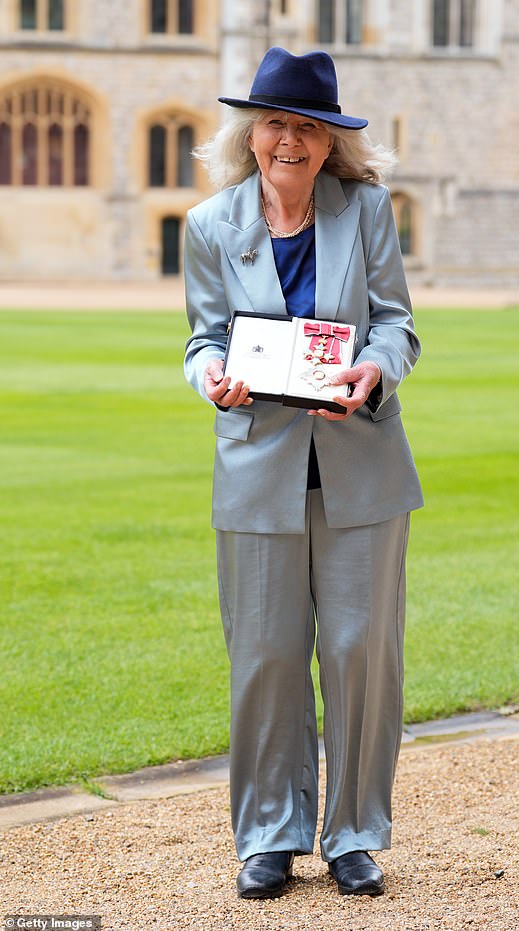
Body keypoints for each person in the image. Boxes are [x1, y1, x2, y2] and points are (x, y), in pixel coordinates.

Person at [183, 46, 423, 900]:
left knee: (362, 654)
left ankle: (355, 833)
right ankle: (268, 837)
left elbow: (396, 323)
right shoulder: (210, 225)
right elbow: (203, 340)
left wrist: (374, 370)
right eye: (276, 124)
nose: (290, 140)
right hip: (256, 470)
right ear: (252, 136)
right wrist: (211, 379)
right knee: (266, 657)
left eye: (308, 128)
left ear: (329, 144)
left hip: (362, 466)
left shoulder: (365, 210)